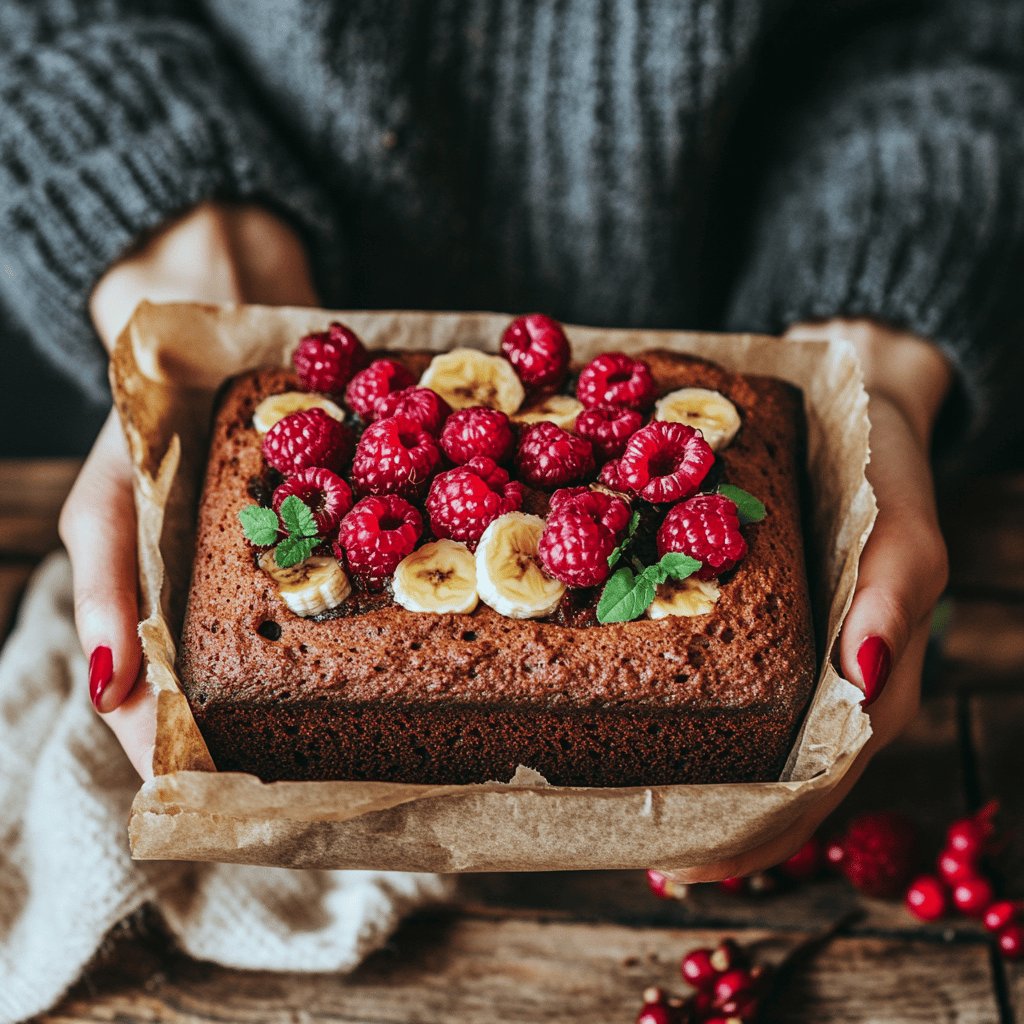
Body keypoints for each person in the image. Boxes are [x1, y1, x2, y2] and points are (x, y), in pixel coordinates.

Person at [3, 1, 1021, 879]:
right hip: (258, 275)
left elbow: (962, 26)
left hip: (777, 317)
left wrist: (870, 368)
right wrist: (198, 284)